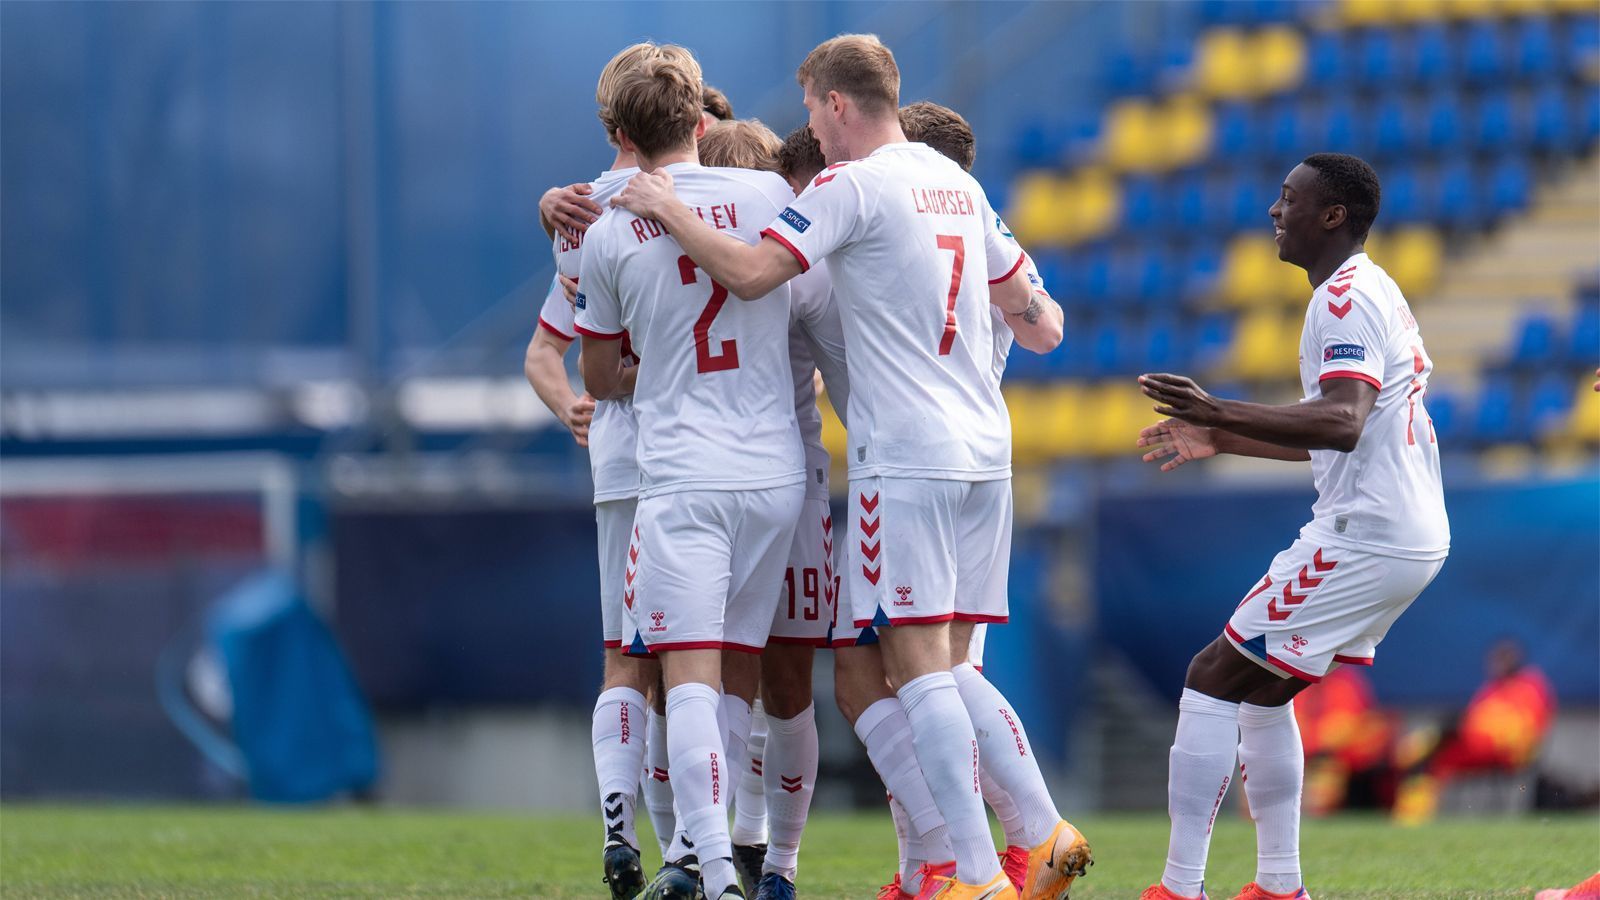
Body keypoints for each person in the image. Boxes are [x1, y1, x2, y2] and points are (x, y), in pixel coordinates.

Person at [612, 34, 1088, 900]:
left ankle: (985, 869)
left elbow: (755, 275)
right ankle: (993, 848)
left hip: (903, 456)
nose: (812, 133)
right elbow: (1043, 322)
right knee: (931, 664)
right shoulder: (961, 188)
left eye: (811, 112)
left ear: (836, 105)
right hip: (988, 449)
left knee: (920, 665)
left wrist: (673, 213)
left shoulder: (849, 186)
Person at [1136, 153, 1450, 900]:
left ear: (1332, 215)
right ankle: (1278, 886)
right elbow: (1346, 428)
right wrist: (1226, 440)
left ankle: (1179, 889)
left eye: (1288, 199)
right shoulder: (1368, 288)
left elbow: (1343, 421)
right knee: (1263, 692)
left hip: (1368, 533)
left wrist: (1216, 408)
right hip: (1400, 531)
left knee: (1212, 675)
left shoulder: (1343, 298)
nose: (1275, 212)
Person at [574, 48, 803, 900]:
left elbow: (597, 382)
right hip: (775, 471)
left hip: (683, 477)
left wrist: (652, 365)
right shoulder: (773, 195)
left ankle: (710, 870)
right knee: (737, 670)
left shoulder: (608, 231)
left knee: (689, 680)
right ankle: (728, 856)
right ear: (699, 121)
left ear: (620, 134)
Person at [520, 41, 677, 900]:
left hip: (620, 458)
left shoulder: (577, 215)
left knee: (627, 660)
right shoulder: (726, 195)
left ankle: (624, 838)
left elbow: (571, 347)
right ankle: (709, 854)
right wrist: (570, 399)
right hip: (703, 451)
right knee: (698, 667)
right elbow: (549, 360)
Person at [696, 118, 835, 900]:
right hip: (789, 475)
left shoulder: (680, 249)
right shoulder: (795, 256)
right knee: (780, 686)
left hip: (718, 479)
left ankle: (722, 850)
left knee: (713, 679)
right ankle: (768, 859)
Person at [1391, 638, 1555, 825]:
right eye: (1495, 659)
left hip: (1506, 753)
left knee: (1439, 743)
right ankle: (1411, 813)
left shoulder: (1530, 686)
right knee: (1432, 757)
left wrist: (1476, 732)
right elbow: (1474, 719)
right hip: (1477, 748)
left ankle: (1411, 815)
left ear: (1515, 659)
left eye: (1503, 658)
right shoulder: (1492, 689)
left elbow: (1520, 730)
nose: (1496, 664)